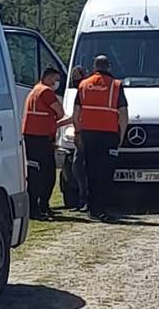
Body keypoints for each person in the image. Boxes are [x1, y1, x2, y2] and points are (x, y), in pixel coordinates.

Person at [73, 55, 128, 222]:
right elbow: (123, 115)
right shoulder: (116, 86)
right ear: (109, 66)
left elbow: (76, 113)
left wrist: (77, 133)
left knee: (89, 171)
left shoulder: (83, 85)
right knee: (105, 172)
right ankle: (103, 209)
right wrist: (122, 135)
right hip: (108, 135)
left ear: (94, 66)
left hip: (88, 134)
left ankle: (91, 209)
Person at [22, 67, 68, 220]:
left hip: (31, 137)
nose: (56, 83)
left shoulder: (34, 90)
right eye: (55, 79)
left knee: (35, 173)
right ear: (48, 77)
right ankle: (41, 207)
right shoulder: (46, 92)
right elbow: (60, 112)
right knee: (47, 174)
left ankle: (36, 207)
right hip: (41, 139)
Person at [68, 65, 89, 211]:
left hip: (84, 133)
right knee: (79, 168)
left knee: (79, 167)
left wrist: (77, 132)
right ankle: (83, 199)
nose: (74, 80)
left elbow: (77, 114)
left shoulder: (82, 90)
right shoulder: (84, 89)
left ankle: (85, 199)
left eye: (76, 76)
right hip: (88, 132)